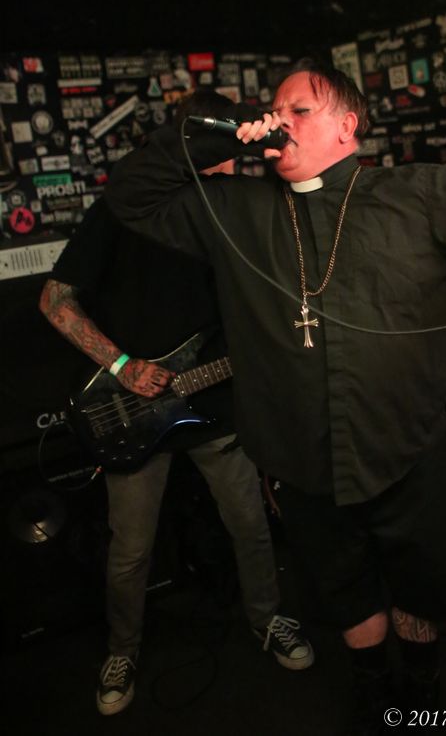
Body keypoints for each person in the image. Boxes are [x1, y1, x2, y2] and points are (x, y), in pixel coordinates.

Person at [103, 62, 446, 734]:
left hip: (405, 449)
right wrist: (220, 137)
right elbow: (131, 198)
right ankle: (372, 686)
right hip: (302, 460)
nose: (279, 123)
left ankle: (421, 684)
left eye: (298, 111)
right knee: (342, 586)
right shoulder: (236, 209)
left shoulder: (415, 192)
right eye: (273, 112)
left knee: (420, 584)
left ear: (346, 125)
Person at [39, 89, 314, 718]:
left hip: (212, 397)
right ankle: (123, 651)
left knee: (250, 523)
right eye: (218, 151)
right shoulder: (122, 210)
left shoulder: (229, 212)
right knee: (131, 549)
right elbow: (55, 300)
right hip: (133, 409)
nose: (229, 165)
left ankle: (268, 619)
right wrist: (122, 366)